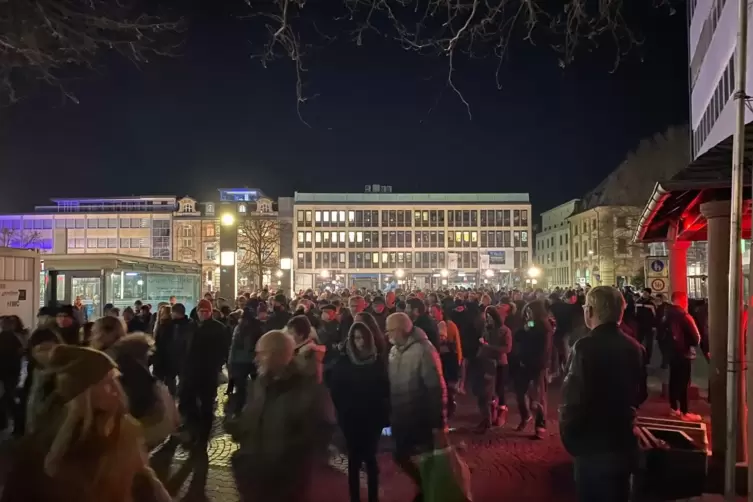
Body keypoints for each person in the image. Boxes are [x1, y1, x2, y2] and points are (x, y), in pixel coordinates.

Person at [1, 345, 170, 502]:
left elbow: (140, 472)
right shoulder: (42, 442)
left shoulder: (124, 427)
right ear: (83, 392)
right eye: (106, 383)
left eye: (115, 380)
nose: (117, 390)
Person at [560, 286, 647, 502]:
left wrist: (570, 436)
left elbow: (573, 398)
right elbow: (641, 393)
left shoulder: (585, 347)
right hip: (623, 438)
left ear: (590, 310)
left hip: (592, 443)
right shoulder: (635, 347)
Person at [225, 330, 335, 502]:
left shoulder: (307, 390)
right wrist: (236, 426)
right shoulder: (260, 384)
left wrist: (285, 462)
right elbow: (252, 420)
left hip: (284, 487)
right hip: (255, 481)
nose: (256, 359)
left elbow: (319, 437)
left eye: (261, 353)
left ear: (277, 354)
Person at [385, 312, 446, 501]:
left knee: (427, 459)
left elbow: (436, 388)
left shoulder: (424, 350)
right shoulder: (394, 351)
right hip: (402, 415)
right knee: (400, 455)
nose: (387, 336)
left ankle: (430, 492)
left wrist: (439, 422)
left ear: (402, 330)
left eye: (390, 331)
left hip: (421, 416)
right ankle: (424, 486)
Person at [330, 322, 390, 502]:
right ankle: (354, 497)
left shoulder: (377, 361)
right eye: (357, 338)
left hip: (372, 418)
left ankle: (373, 498)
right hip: (351, 418)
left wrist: (383, 416)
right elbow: (336, 392)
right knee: (354, 460)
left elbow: (384, 390)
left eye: (363, 337)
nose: (360, 342)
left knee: (371, 459)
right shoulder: (344, 362)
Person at [179, 298, 231, 446]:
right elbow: (185, 347)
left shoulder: (218, 328)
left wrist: (217, 364)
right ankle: (194, 430)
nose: (203, 314)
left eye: (206, 311)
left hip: (208, 372)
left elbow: (223, 349)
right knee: (188, 400)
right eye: (201, 311)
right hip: (191, 371)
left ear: (210, 312)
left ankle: (203, 436)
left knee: (207, 404)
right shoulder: (192, 326)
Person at [514, 300, 553, 439]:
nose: (528, 314)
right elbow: (519, 334)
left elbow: (544, 348)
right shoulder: (531, 324)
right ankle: (526, 416)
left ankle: (540, 425)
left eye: (530, 311)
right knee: (520, 393)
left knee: (538, 397)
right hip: (525, 363)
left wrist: (541, 364)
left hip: (538, 365)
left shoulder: (544, 326)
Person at [661, 291, 702, 421]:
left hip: (671, 353)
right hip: (684, 352)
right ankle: (685, 411)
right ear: (682, 300)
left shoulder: (666, 314)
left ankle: (674, 408)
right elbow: (696, 338)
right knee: (684, 382)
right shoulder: (684, 316)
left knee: (673, 380)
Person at [228, 307, 263, 414]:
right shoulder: (259, 326)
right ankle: (257, 408)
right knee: (258, 386)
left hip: (239, 361)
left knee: (240, 388)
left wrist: (231, 362)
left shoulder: (239, 328)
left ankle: (238, 411)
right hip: (254, 360)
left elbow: (233, 346)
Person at [287, 315, 325, 383]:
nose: (288, 336)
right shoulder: (300, 348)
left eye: (291, 333)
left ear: (301, 335)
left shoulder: (308, 353)